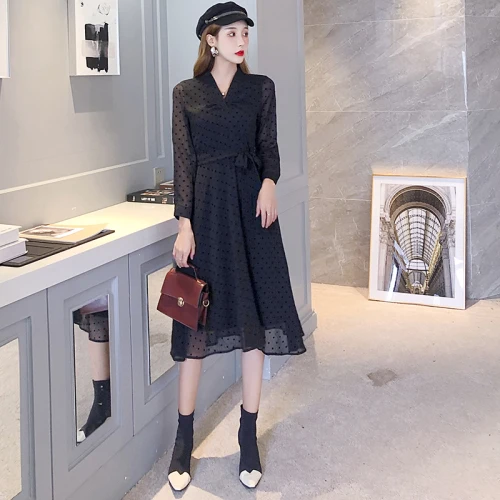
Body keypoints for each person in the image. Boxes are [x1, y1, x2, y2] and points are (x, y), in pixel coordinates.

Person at [168, 2, 307, 491]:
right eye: (231, 33)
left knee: (254, 324)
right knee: (195, 328)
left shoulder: (260, 88)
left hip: (252, 212)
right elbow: (184, 164)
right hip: (207, 214)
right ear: (210, 39)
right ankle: (183, 438)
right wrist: (184, 225)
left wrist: (269, 183)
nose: (241, 40)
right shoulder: (186, 93)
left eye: (244, 32)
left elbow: (269, 147)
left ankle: (248, 432)